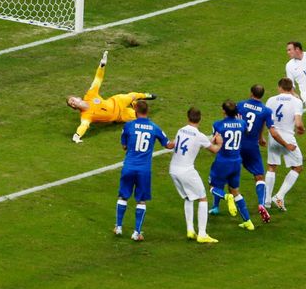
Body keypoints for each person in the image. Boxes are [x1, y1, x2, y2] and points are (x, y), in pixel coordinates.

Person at [115, 100, 175, 241]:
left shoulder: (129, 125)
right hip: (144, 170)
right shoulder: (154, 128)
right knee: (141, 201)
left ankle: (118, 227)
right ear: (147, 111)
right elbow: (168, 145)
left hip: (129, 166)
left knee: (123, 196)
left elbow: (124, 146)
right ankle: (137, 233)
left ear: (135, 111)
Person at [235, 84, 296, 222]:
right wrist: (286, 144)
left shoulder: (240, 105)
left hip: (236, 144)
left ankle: (221, 202)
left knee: (228, 174)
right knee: (259, 177)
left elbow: (233, 120)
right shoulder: (265, 110)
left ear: (251, 92)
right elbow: (273, 132)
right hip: (251, 147)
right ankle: (262, 204)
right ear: (262, 95)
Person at [67, 51, 156, 143]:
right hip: (119, 116)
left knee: (133, 95)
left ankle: (145, 95)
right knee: (140, 116)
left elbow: (97, 80)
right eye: (71, 104)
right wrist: (77, 136)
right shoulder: (85, 116)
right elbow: (83, 126)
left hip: (117, 102)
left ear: (78, 98)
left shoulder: (90, 95)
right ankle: (134, 104)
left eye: (72, 100)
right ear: (74, 107)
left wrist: (101, 66)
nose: (73, 103)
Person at [169, 107, 221, 243]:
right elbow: (214, 150)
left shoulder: (181, 130)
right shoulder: (199, 136)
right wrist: (219, 143)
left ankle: (190, 230)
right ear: (200, 119)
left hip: (173, 169)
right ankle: (202, 234)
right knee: (203, 198)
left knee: (188, 197)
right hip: (186, 171)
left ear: (187, 117)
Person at [208, 100, 255, 231]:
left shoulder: (218, 125)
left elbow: (216, 142)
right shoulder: (242, 123)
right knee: (235, 191)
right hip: (236, 161)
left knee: (213, 186)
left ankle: (226, 198)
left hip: (223, 161)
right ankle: (248, 221)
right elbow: (246, 132)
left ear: (224, 111)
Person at [265, 78, 305, 211]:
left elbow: (265, 119)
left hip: (273, 135)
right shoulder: (296, 101)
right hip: (287, 137)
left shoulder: (271, 100)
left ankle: (266, 201)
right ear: (291, 88)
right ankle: (279, 196)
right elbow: (298, 123)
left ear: (280, 87)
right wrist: (301, 129)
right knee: (297, 167)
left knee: (272, 166)